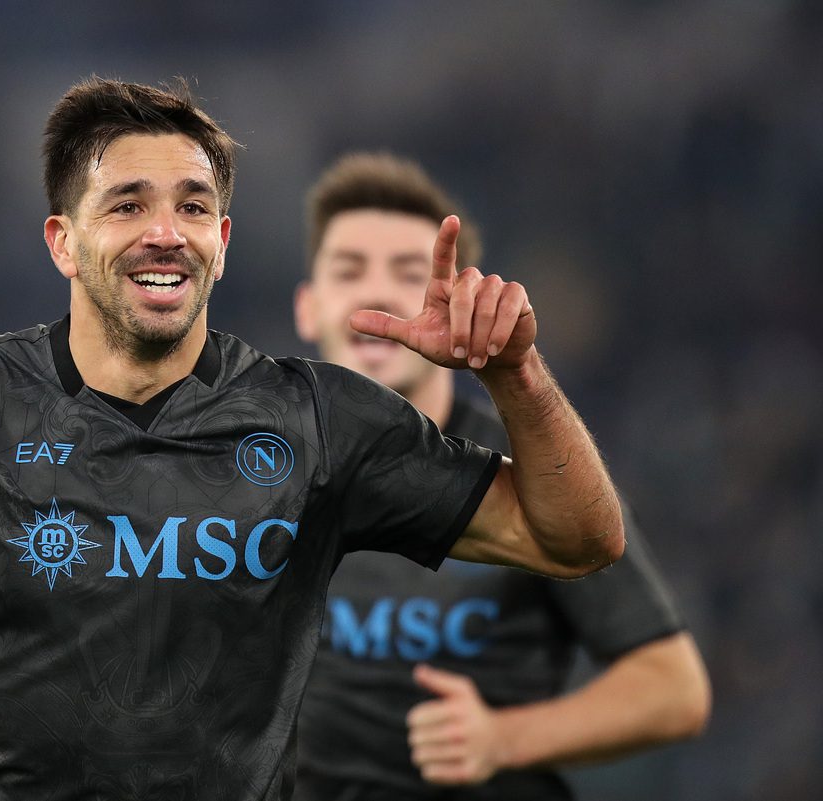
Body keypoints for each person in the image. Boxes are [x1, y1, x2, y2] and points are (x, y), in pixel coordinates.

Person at [0, 79, 625, 801]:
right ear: (62, 241)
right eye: (126, 206)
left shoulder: (316, 417)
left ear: (223, 242)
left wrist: (515, 375)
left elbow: (576, 537)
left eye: (194, 207)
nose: (166, 232)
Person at [292, 152, 711, 800]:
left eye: (408, 271)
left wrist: (502, 737)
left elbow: (674, 687)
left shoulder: (539, 475)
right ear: (309, 307)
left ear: (456, 302)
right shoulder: (261, 466)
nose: (376, 290)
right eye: (350, 271)